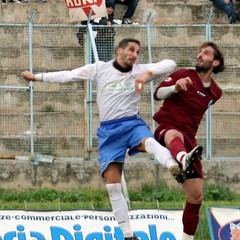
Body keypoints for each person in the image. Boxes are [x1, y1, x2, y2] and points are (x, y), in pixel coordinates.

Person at [21, 38, 189, 240]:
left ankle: (174, 166)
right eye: (131, 50)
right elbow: (69, 75)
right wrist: (37, 77)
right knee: (112, 185)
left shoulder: (139, 70)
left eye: (138, 51)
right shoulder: (100, 68)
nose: (135, 55)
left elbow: (170, 63)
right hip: (108, 131)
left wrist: (147, 74)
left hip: (131, 123)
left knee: (150, 143)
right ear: (119, 50)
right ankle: (128, 235)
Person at [152, 42, 225, 240]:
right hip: (166, 130)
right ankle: (183, 159)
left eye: (206, 53)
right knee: (175, 135)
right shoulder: (182, 73)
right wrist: (175, 87)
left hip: (189, 141)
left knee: (195, 197)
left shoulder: (215, 93)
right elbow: (157, 94)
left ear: (215, 62)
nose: (200, 55)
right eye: (199, 51)